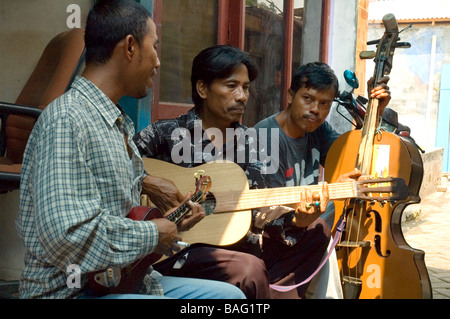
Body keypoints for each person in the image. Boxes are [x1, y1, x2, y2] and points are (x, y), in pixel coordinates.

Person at [15, 0, 246, 299]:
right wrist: (153, 234)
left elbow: (125, 218)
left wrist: (173, 222)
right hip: (72, 292)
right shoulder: (68, 119)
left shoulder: (116, 123)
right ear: (129, 47)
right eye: (155, 47)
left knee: (230, 299)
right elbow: (67, 236)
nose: (159, 62)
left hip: (125, 282)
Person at [133, 45, 333, 299]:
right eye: (231, 86)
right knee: (249, 268)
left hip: (234, 246)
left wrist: (297, 220)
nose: (242, 96)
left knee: (315, 230)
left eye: (246, 87)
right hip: (174, 249)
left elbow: (260, 210)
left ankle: (272, 292)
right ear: (203, 89)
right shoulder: (166, 134)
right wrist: (148, 182)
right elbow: (114, 163)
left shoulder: (253, 143)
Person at [254, 62, 391, 298]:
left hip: (306, 217)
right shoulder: (266, 137)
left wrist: (374, 112)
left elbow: (353, 161)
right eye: (307, 98)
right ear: (290, 96)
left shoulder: (318, 129)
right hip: (272, 232)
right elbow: (269, 213)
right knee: (321, 227)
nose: (315, 109)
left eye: (324, 103)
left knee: (345, 204)